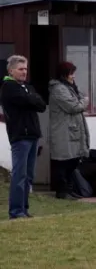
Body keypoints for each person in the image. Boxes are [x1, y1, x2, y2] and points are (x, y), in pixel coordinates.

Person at [0, 55, 46, 219]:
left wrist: (31, 99)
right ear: (11, 71)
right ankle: (16, 211)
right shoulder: (8, 87)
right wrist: (31, 99)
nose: (24, 72)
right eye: (20, 69)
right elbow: (27, 100)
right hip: (20, 136)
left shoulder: (28, 87)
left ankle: (24, 209)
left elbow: (41, 105)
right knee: (19, 175)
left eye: (26, 69)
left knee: (29, 175)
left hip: (33, 135)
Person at [48, 62, 90, 200]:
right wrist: (84, 102)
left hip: (72, 130)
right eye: (71, 73)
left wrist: (81, 101)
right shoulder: (59, 89)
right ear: (63, 74)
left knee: (73, 160)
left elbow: (80, 99)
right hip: (63, 131)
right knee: (63, 161)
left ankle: (69, 189)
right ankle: (61, 191)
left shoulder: (70, 87)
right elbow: (73, 106)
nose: (73, 76)